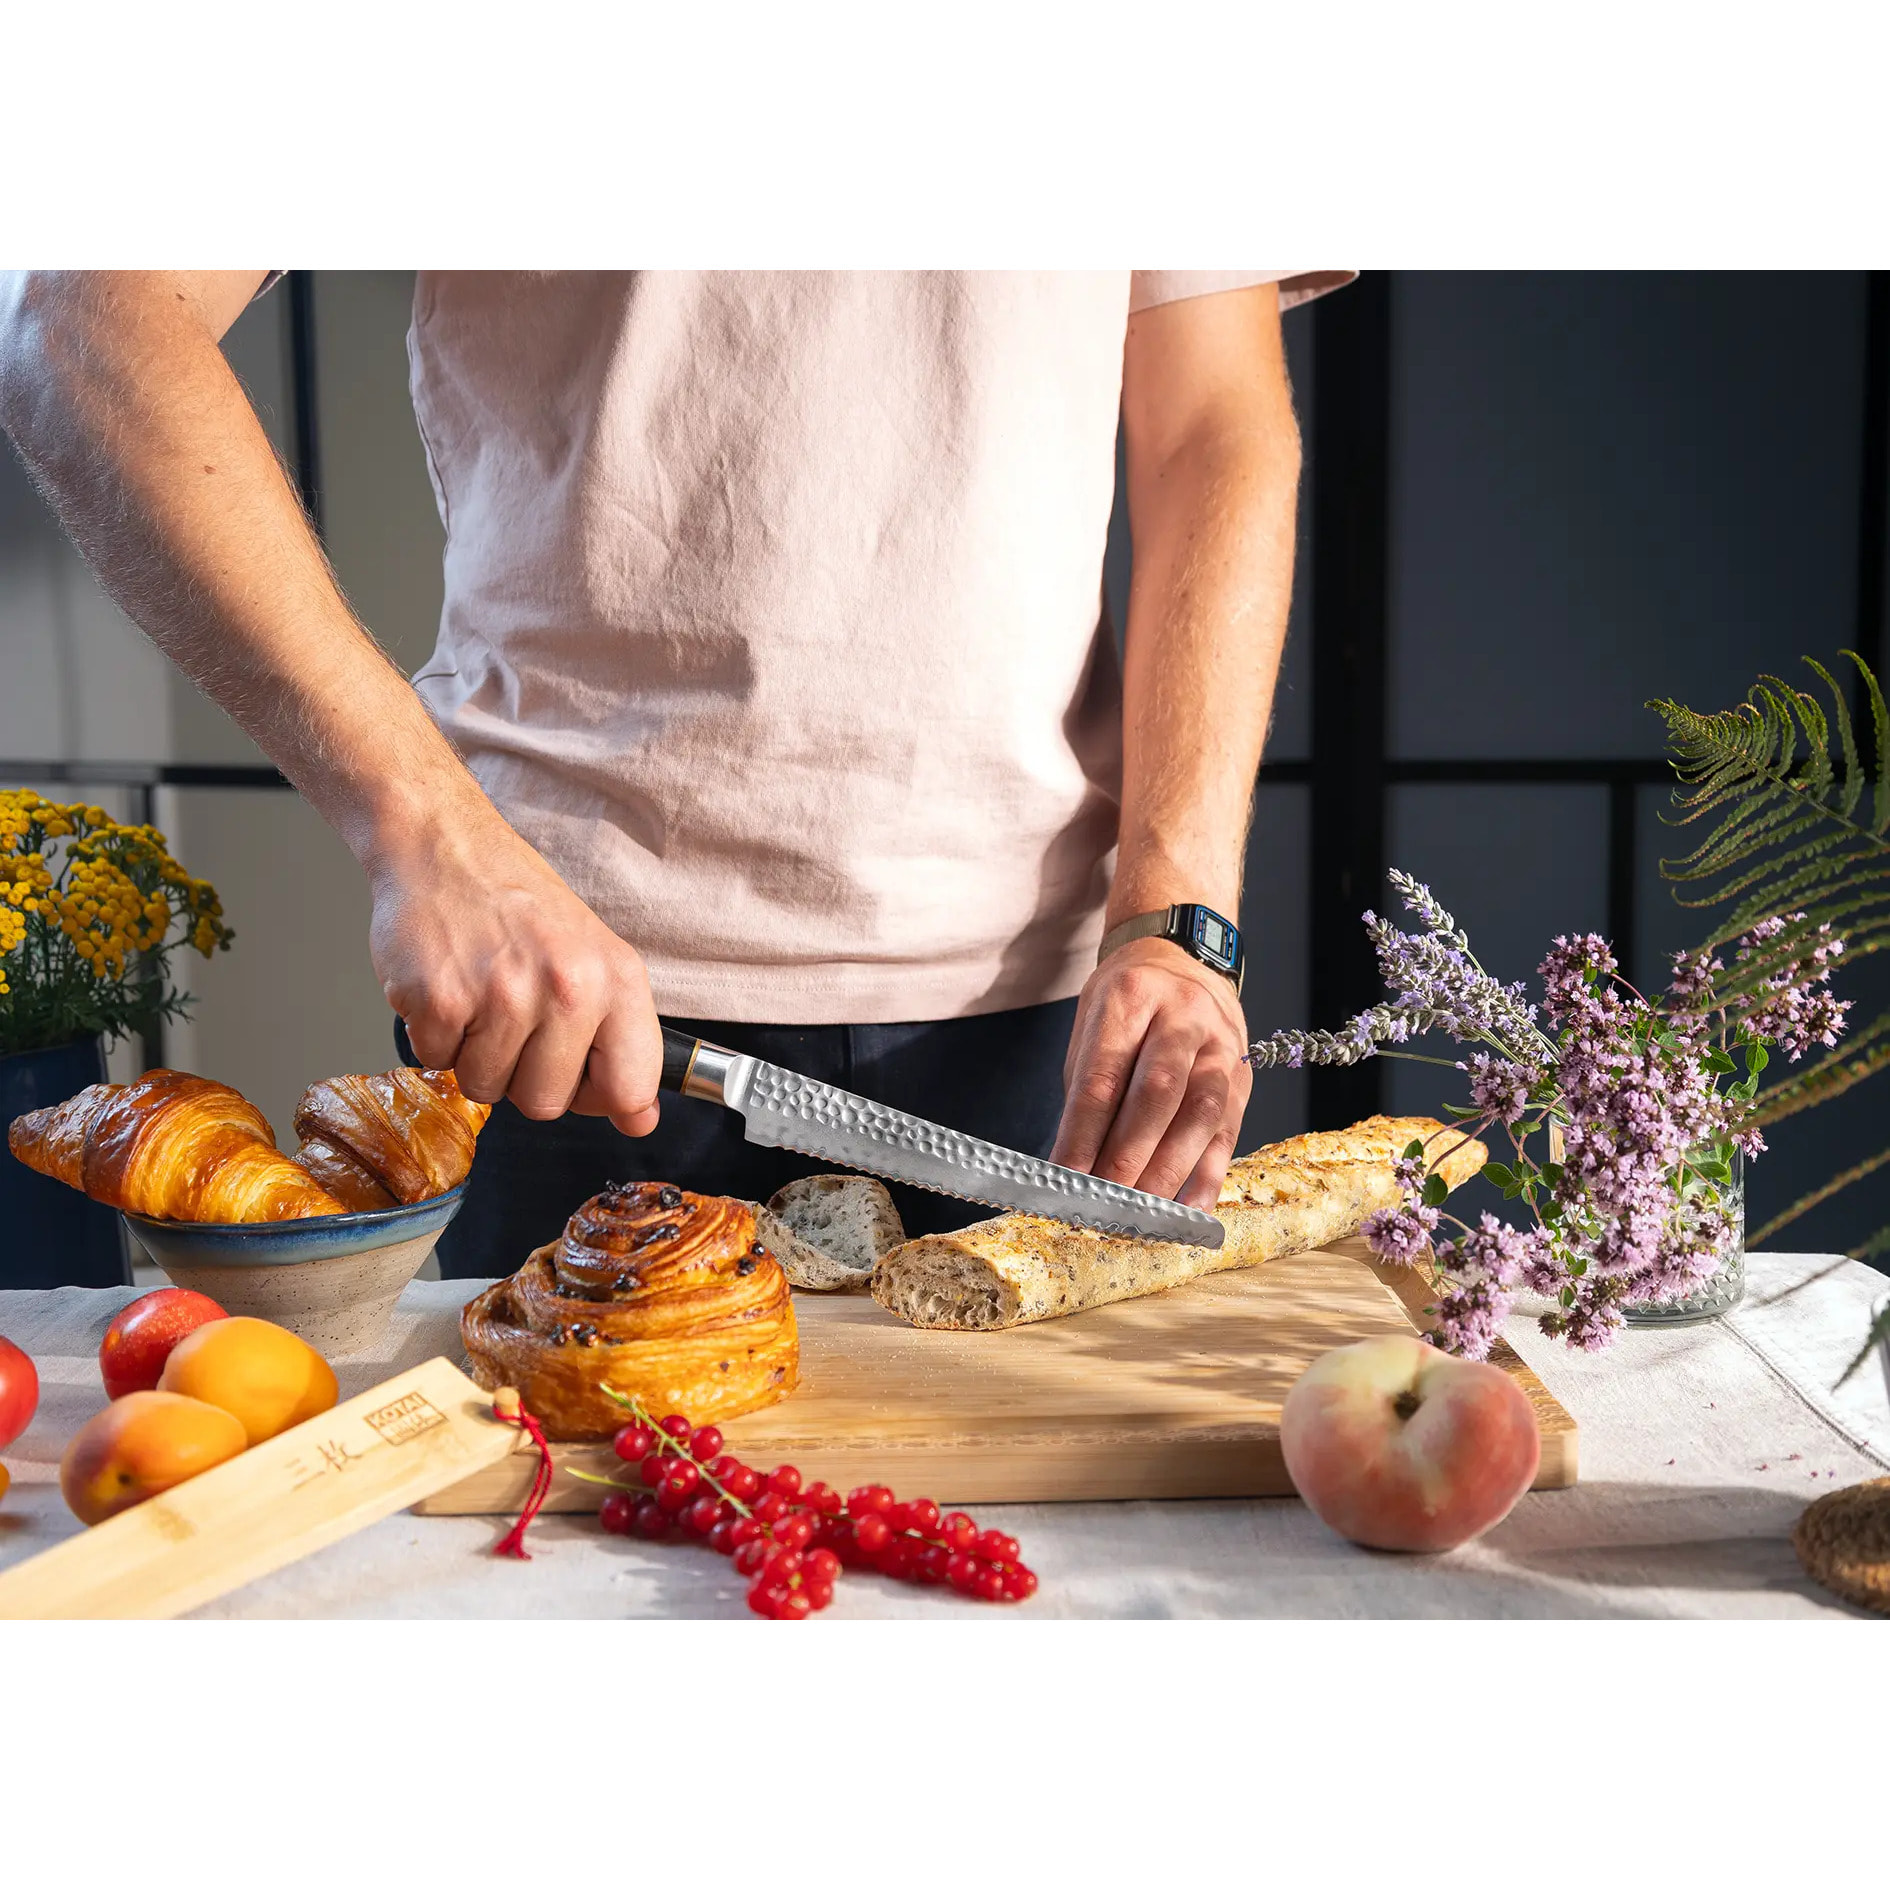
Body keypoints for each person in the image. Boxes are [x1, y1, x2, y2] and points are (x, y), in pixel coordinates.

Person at [0, 269, 1337, 1274]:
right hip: (571, 1021)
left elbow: (1209, 426)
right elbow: (80, 316)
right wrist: (431, 840)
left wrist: (1179, 915)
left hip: (1064, 1033)